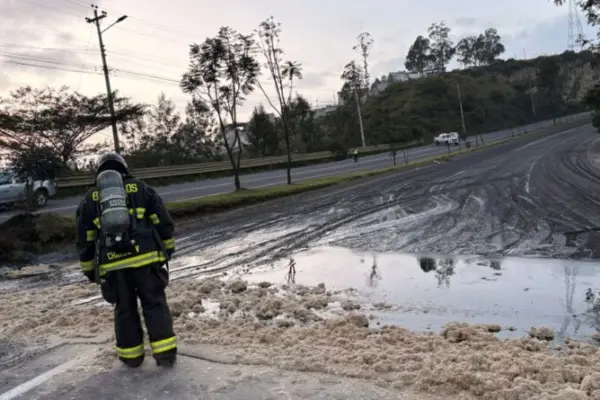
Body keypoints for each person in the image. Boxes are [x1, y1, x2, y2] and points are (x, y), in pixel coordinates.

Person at [75, 152, 177, 368]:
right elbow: (162, 221)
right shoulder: (141, 188)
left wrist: (90, 270)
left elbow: (85, 239)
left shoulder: (90, 199)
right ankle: (165, 355)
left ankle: (132, 358)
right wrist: (167, 251)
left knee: (124, 310)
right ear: (124, 168)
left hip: (114, 266)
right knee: (154, 304)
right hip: (147, 260)